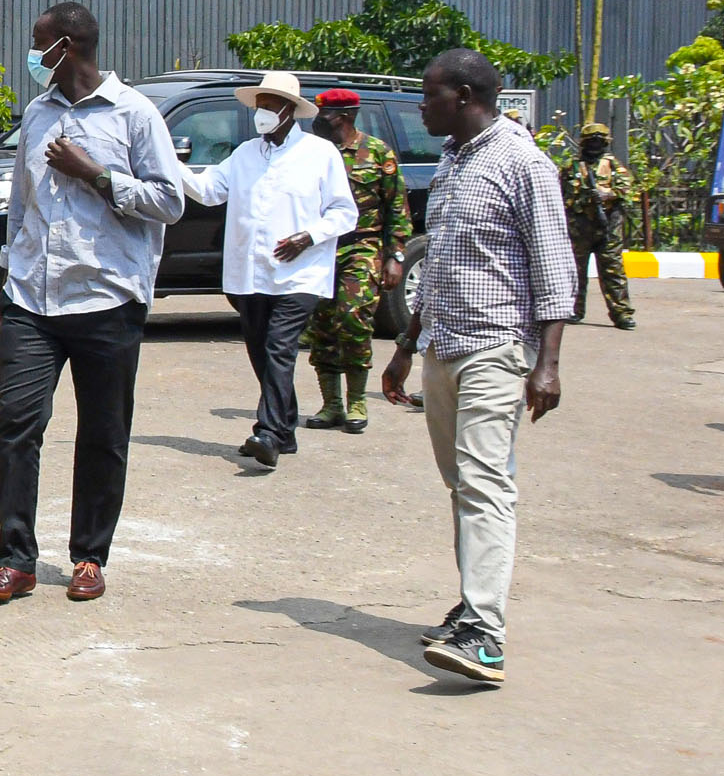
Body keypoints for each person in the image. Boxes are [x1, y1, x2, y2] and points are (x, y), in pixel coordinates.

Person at [0, 2, 184, 606]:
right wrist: (2, 288)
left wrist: (94, 174)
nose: (32, 56)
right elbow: (20, 205)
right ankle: (15, 559)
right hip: (32, 300)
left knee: (104, 433)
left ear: (67, 45)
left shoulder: (135, 114)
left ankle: (89, 555)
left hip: (106, 299)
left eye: (38, 44)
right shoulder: (38, 113)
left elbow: (170, 202)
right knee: (16, 425)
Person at [382, 50, 576, 687]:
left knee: (486, 482)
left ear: (463, 96)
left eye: (429, 95)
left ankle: (485, 635)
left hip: (497, 348)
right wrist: (408, 346)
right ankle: (472, 606)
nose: (420, 106)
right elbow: (436, 267)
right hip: (441, 346)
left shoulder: (523, 163)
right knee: (461, 484)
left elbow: (555, 271)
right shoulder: (450, 162)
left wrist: (546, 366)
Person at [176, 70, 356, 469]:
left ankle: (269, 434)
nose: (263, 113)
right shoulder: (243, 155)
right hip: (249, 274)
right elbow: (209, 191)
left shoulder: (319, 154)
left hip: (299, 275)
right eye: (260, 105)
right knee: (262, 352)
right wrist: (169, 166)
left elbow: (345, 212)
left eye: (271, 106)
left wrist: (309, 236)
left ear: (290, 111)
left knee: (279, 347)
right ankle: (285, 430)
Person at [301, 90, 412, 433]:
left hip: (362, 245)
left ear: (346, 116)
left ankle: (357, 400)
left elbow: (397, 207)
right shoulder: (311, 153)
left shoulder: (377, 153)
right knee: (321, 323)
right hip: (319, 246)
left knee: (352, 317)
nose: (318, 120)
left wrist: (395, 256)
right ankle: (331, 404)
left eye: (325, 115)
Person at [562, 121, 635, 330]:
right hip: (579, 228)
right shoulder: (572, 166)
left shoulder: (613, 165)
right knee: (575, 272)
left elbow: (627, 189)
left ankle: (622, 313)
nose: (595, 145)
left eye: (599, 141)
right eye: (591, 141)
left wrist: (607, 194)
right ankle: (574, 310)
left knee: (613, 272)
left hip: (608, 228)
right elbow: (560, 194)